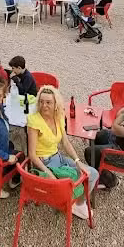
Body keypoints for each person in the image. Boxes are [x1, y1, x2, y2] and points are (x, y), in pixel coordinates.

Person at [26, 86, 98, 220]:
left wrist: (77, 161)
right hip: (44, 163)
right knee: (71, 183)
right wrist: (49, 173)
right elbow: (32, 155)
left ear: (55, 104)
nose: (44, 105)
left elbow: (65, 142)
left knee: (92, 173)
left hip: (58, 157)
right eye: (41, 102)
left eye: (48, 102)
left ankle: (78, 203)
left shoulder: (58, 117)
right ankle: (69, 202)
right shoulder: (34, 121)